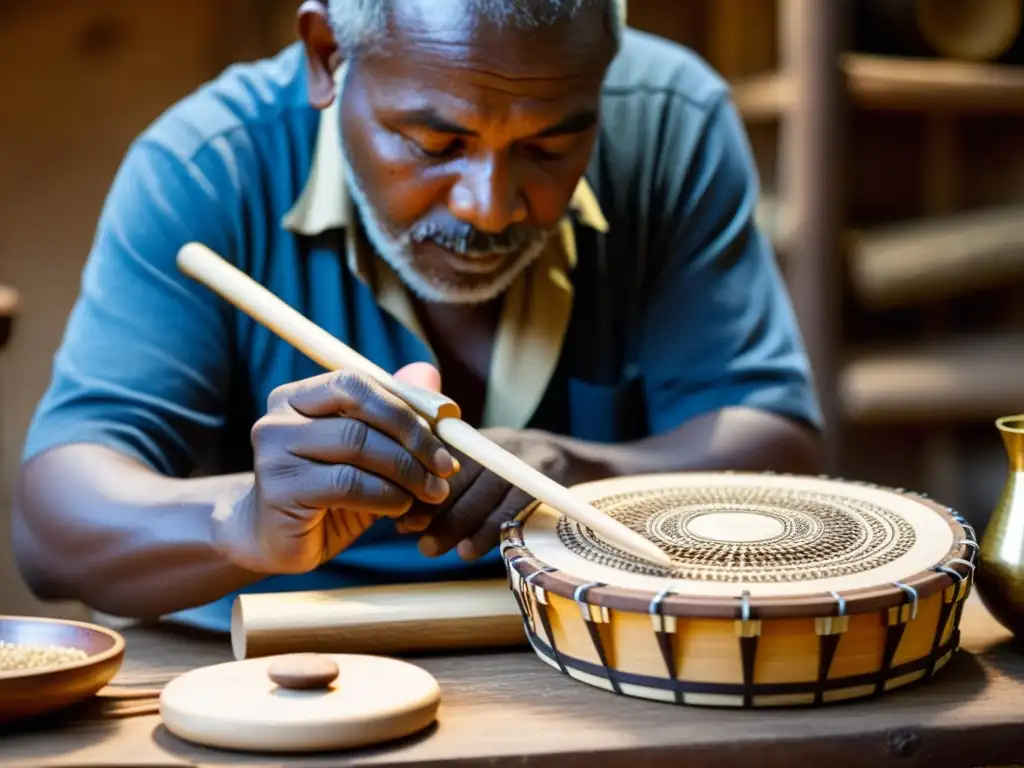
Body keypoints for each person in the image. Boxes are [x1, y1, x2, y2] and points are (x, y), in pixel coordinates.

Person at [12, 0, 823, 632]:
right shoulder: (209, 164)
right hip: (264, 676)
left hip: (592, 659)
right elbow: (52, 531)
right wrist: (245, 521)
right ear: (327, 56)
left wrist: (575, 473)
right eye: (435, 144)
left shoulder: (670, 122)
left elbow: (782, 452)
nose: (491, 208)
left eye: (549, 148)